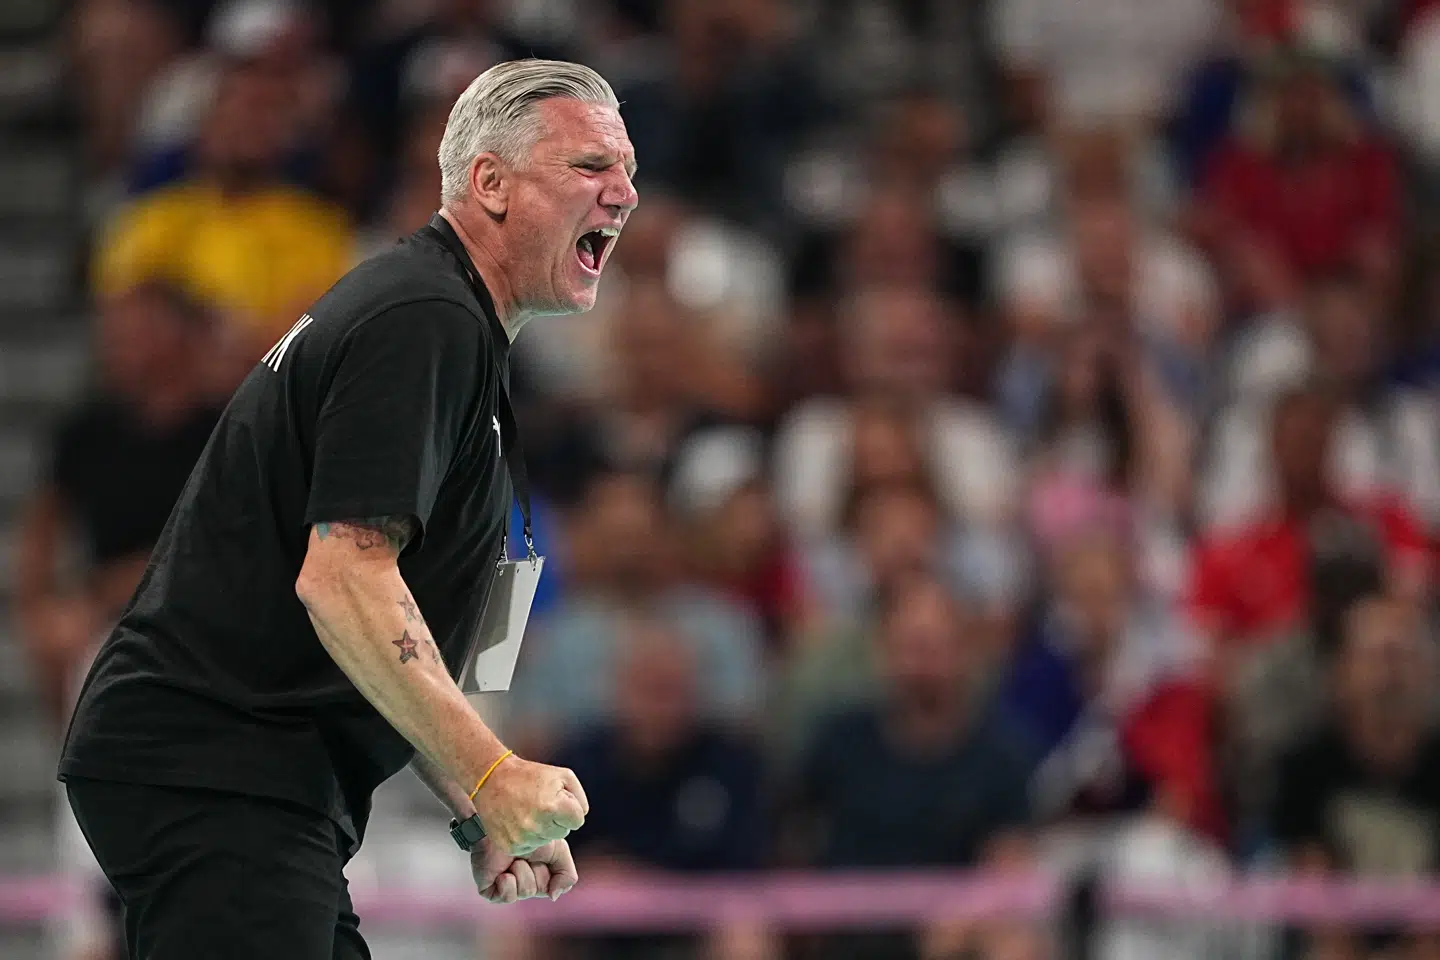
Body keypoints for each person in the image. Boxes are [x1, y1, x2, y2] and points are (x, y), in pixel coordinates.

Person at [58, 58, 639, 960]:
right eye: (591, 167)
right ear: (488, 182)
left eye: (629, 171)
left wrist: (471, 799)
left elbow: (380, 613)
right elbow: (343, 579)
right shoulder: (423, 318)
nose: (624, 194)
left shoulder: (451, 332)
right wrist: (490, 774)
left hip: (250, 777)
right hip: (217, 763)